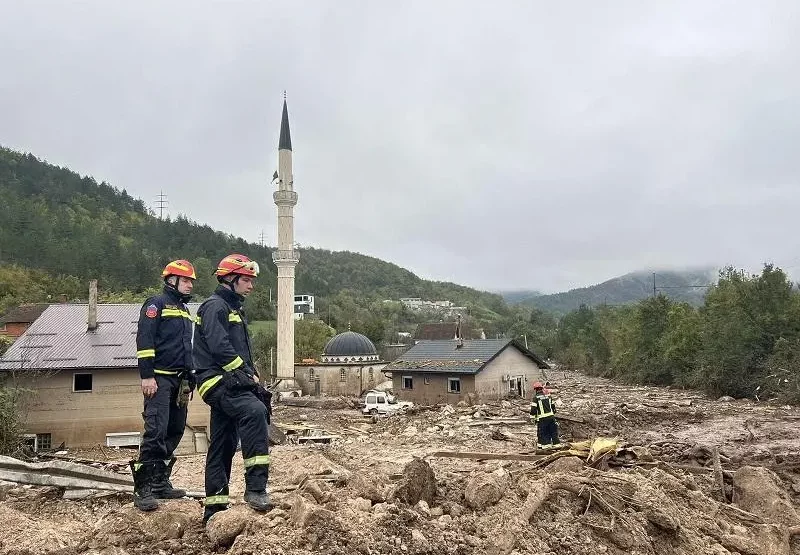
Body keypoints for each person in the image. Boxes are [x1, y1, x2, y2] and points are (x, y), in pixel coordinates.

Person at [193, 254, 272, 524]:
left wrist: (251, 369)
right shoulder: (215, 307)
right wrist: (246, 373)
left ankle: (214, 507)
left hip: (228, 380)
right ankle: (256, 488)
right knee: (255, 411)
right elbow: (220, 347)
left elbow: (236, 348)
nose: (251, 286)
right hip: (219, 381)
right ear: (230, 279)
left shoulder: (233, 308)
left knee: (223, 442)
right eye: (247, 280)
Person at [132, 259, 196, 511]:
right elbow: (144, 340)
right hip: (158, 378)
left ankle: (160, 482)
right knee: (155, 431)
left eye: (191, 281)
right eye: (186, 280)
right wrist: (146, 376)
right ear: (172, 280)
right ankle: (144, 488)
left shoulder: (183, 310)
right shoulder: (155, 305)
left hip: (179, 381)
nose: (190, 285)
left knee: (175, 429)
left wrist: (191, 377)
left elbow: (186, 347)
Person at [530, 381, 559, 448]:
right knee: (553, 431)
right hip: (551, 417)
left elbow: (533, 410)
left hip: (542, 419)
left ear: (536, 390)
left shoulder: (536, 398)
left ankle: (546, 447)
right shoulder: (548, 395)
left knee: (543, 433)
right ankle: (557, 445)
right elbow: (553, 406)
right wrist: (553, 414)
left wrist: (532, 418)